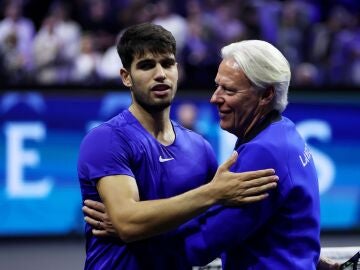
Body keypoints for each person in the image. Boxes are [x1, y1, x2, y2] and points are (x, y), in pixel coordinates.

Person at [77, 22, 278, 270]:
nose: (160, 74)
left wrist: (309, 256)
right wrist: (212, 194)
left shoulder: (199, 148)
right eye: (147, 65)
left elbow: (219, 225)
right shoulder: (106, 140)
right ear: (126, 77)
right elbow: (128, 224)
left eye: (167, 63)